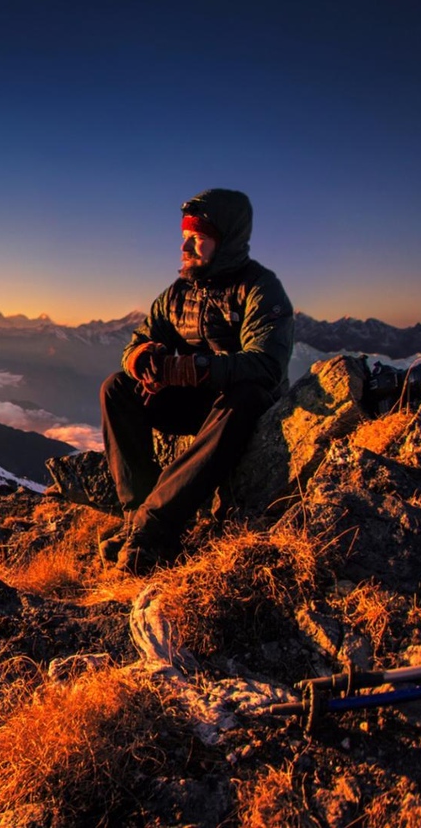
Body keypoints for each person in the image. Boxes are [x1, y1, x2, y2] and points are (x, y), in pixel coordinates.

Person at [99, 188, 294, 573]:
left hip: (240, 410)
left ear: (226, 241)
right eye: (185, 235)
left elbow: (268, 364)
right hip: (196, 402)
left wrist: (195, 368)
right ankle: (137, 514)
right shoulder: (177, 294)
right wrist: (143, 360)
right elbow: (138, 341)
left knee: (246, 396)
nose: (186, 244)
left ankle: (155, 530)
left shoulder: (260, 288)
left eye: (199, 236)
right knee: (117, 388)